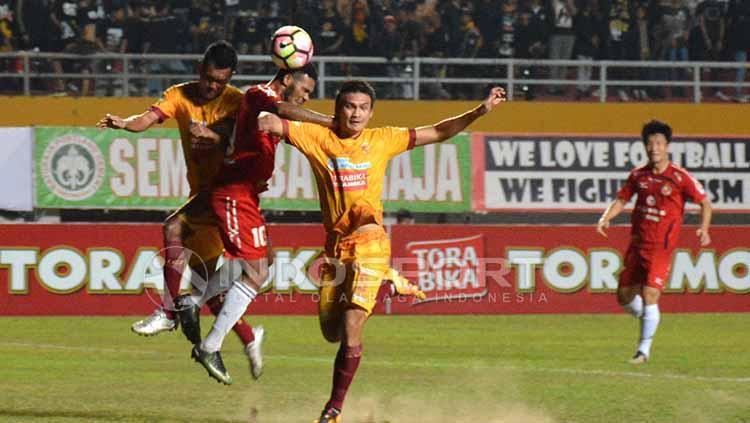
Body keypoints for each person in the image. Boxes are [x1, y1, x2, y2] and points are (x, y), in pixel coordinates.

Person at [257, 80, 505, 423]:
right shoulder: (316, 137)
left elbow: (438, 131)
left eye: (362, 108)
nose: (356, 113)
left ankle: (333, 410)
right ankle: (385, 280)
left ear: (371, 113)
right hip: (335, 247)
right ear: (338, 110)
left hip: (370, 242)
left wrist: (480, 110)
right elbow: (267, 119)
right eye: (349, 106)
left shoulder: (382, 139)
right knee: (333, 333)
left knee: (352, 322)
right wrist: (316, 123)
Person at [96, 41, 264, 378]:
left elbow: (245, 138)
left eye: (220, 81)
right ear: (200, 69)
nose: (212, 86)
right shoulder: (180, 94)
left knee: (172, 227)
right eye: (208, 78)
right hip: (202, 196)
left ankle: (169, 313)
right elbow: (148, 118)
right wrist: (124, 123)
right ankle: (250, 339)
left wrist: (215, 136)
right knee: (208, 290)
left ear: (229, 78)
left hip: (228, 197)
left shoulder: (236, 102)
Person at [189, 63, 335, 385]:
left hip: (248, 196)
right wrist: (330, 121)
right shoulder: (260, 94)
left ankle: (190, 303)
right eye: (305, 91)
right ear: (287, 79)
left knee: (263, 261)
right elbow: (282, 108)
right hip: (233, 193)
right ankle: (209, 344)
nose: (306, 99)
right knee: (257, 272)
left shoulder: (271, 114)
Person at [597, 120, 712, 364]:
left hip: (661, 247)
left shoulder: (680, 178)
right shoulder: (638, 175)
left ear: (667, 146)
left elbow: (704, 202)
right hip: (637, 245)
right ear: (645, 147)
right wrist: (606, 217)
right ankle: (650, 317)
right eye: (650, 144)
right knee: (624, 296)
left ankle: (643, 350)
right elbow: (621, 199)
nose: (654, 148)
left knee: (650, 293)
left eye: (659, 143)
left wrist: (703, 228)